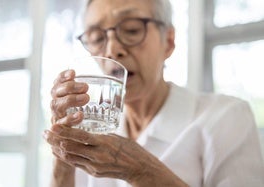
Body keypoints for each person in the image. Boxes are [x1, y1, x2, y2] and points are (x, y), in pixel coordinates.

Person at [43, 0, 264, 186]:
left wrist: (141, 171)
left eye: (131, 30)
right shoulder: (91, 129)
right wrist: (62, 156)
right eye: (97, 38)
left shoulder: (226, 117)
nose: (111, 50)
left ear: (168, 42)